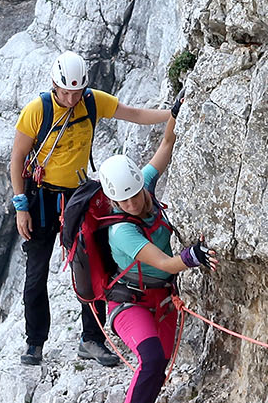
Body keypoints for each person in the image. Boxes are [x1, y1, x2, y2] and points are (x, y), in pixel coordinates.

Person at [9, 51, 176, 366]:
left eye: (77, 91)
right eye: (65, 91)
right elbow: (17, 159)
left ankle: (92, 340)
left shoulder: (91, 101)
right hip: (40, 198)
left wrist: (172, 115)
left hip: (77, 196)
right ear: (54, 85)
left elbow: (135, 115)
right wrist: (21, 205)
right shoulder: (37, 111)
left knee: (92, 263)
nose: (71, 98)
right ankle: (35, 343)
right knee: (36, 272)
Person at [96, 112, 212, 403]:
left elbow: (166, 145)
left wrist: (177, 114)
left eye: (134, 197)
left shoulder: (142, 184)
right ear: (114, 201)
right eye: (123, 202)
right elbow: (164, 263)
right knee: (152, 360)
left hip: (161, 301)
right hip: (128, 304)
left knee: (158, 368)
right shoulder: (122, 232)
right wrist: (192, 257)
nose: (132, 204)